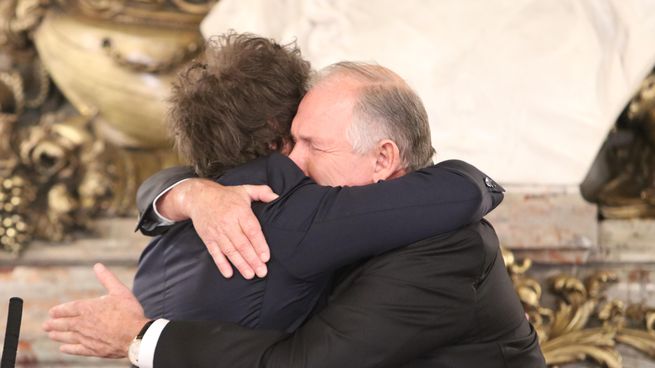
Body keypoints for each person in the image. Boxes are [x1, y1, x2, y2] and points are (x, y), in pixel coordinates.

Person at [44, 36, 545, 367]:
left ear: (383, 158)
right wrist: (191, 193)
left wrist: (140, 336)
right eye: (291, 144)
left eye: (313, 147)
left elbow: (305, 363)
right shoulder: (285, 203)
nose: (294, 164)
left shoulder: (445, 246)